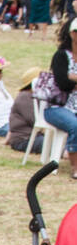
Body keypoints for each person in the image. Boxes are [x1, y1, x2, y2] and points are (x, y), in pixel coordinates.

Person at [43, 16, 77, 178]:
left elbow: (67, 79)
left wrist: (72, 77)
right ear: (71, 33)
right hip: (57, 107)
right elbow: (63, 83)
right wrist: (70, 79)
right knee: (75, 126)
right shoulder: (61, 56)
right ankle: (75, 167)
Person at [5, 66, 43, 153]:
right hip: (24, 139)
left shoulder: (35, 96)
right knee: (50, 143)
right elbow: (35, 120)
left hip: (33, 136)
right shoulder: (25, 97)